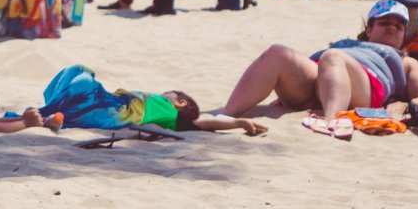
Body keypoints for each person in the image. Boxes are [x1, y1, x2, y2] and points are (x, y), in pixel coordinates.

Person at [218, 0, 418, 132]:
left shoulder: (405, 61)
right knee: (278, 53)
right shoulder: (350, 45)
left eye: (399, 26)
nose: (392, 28)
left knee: (333, 57)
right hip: (323, 75)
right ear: (369, 29)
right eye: (384, 23)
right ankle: (225, 115)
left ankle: (332, 120)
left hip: (365, 84)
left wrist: (404, 106)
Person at [38, 65, 268, 135]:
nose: (163, 93)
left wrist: (238, 123)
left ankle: (54, 114)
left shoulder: (172, 115)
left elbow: (208, 121)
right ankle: (55, 115)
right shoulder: (164, 108)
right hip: (107, 102)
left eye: (169, 92)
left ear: (180, 103)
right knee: (76, 74)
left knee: (83, 81)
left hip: (115, 110)